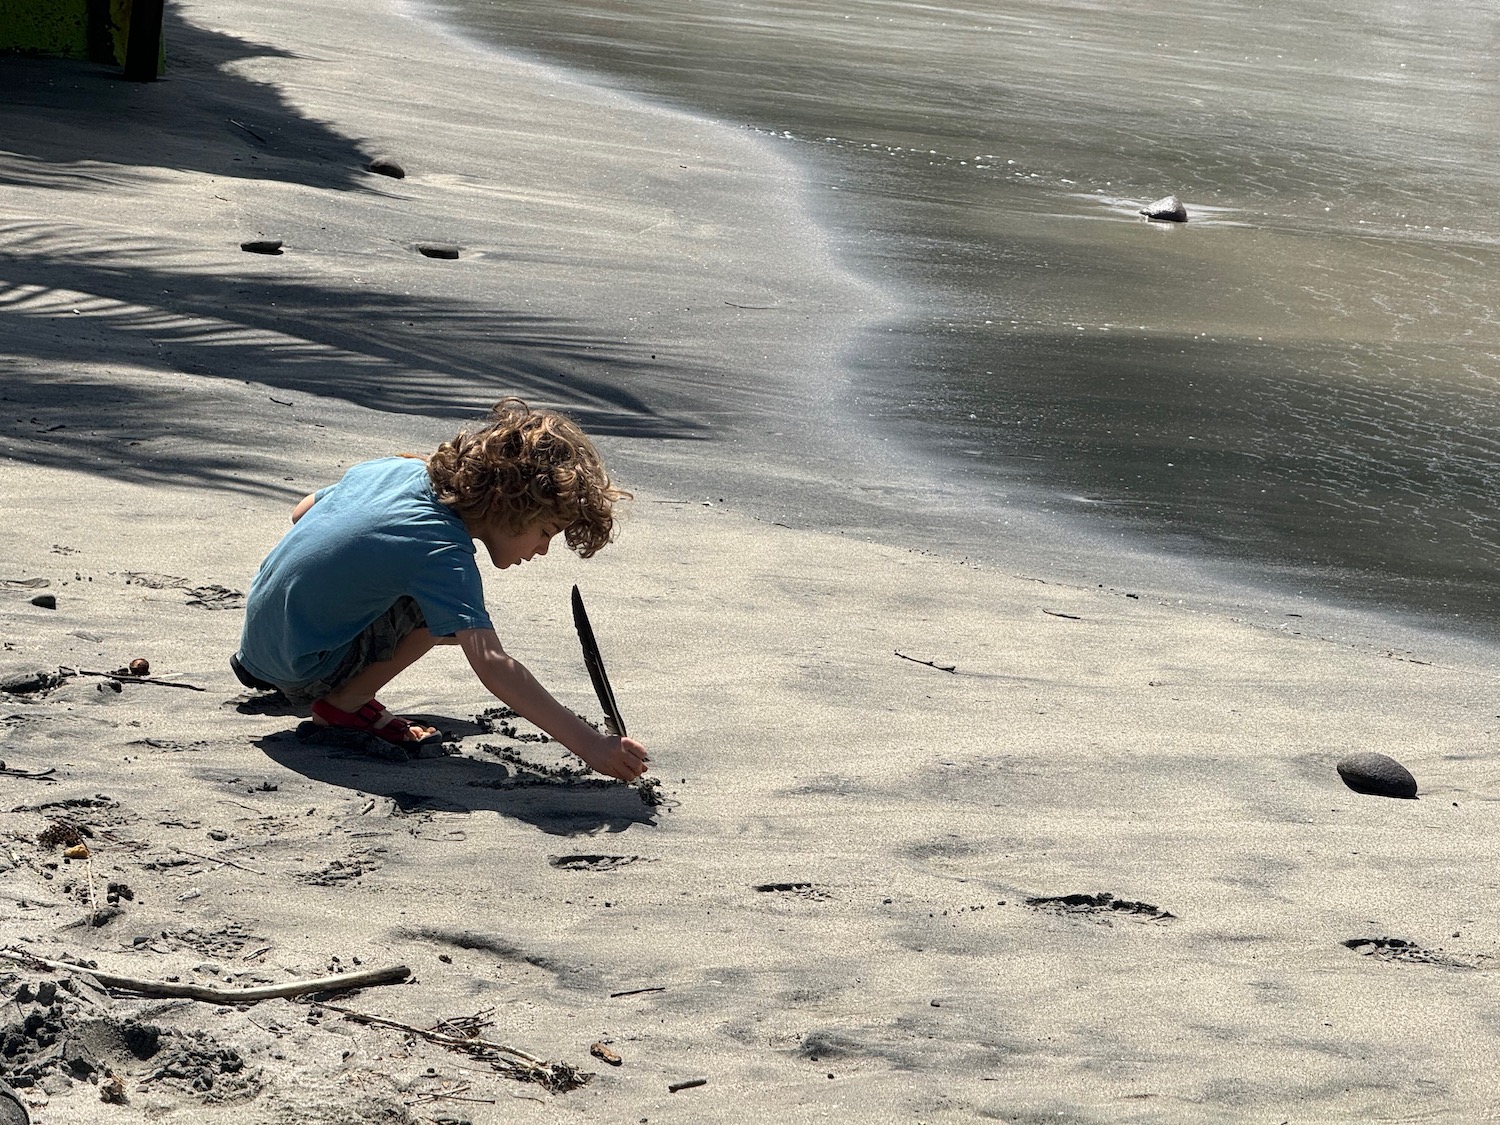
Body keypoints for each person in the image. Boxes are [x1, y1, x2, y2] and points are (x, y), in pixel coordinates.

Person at [231, 398, 649, 782]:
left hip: (260, 645)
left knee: (430, 597)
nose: (542, 549)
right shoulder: (443, 550)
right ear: (509, 503)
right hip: (302, 668)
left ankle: (333, 675)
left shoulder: (398, 469)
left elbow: (301, 511)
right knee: (448, 613)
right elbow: (493, 665)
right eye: (546, 532)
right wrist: (591, 745)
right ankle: (343, 705)